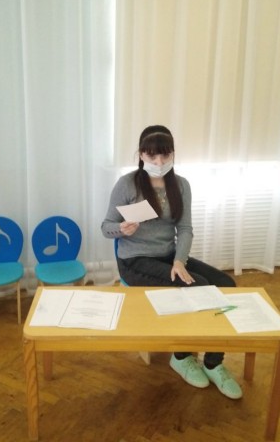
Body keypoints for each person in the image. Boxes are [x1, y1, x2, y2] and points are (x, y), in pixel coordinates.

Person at [101, 125, 242, 400]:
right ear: (141, 155)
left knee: (227, 284)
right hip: (135, 259)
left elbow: (185, 229)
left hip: (168, 256)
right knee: (198, 287)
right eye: (152, 156)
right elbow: (105, 227)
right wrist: (121, 229)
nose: (159, 162)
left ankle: (213, 362)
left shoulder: (181, 185)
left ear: (173, 154)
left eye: (165, 155)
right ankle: (181, 357)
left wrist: (179, 261)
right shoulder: (127, 184)